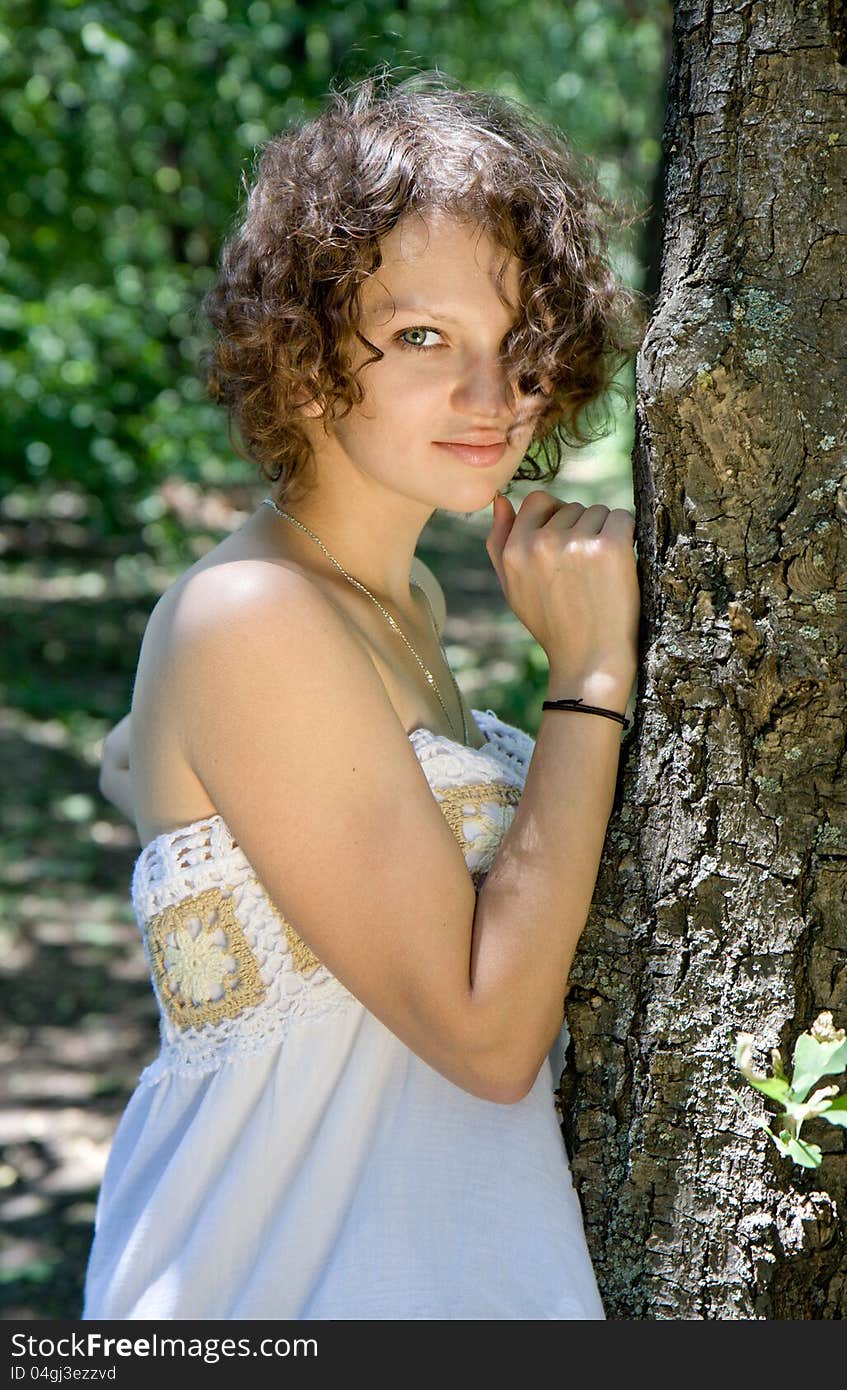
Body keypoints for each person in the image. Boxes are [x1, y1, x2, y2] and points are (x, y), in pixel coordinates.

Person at [82, 66, 645, 1320]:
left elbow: (157, 767)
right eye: (424, 338)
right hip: (279, 1287)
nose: (492, 398)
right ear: (305, 354)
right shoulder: (255, 616)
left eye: (519, 343)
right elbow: (487, 1037)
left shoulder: (396, 606)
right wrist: (591, 676)